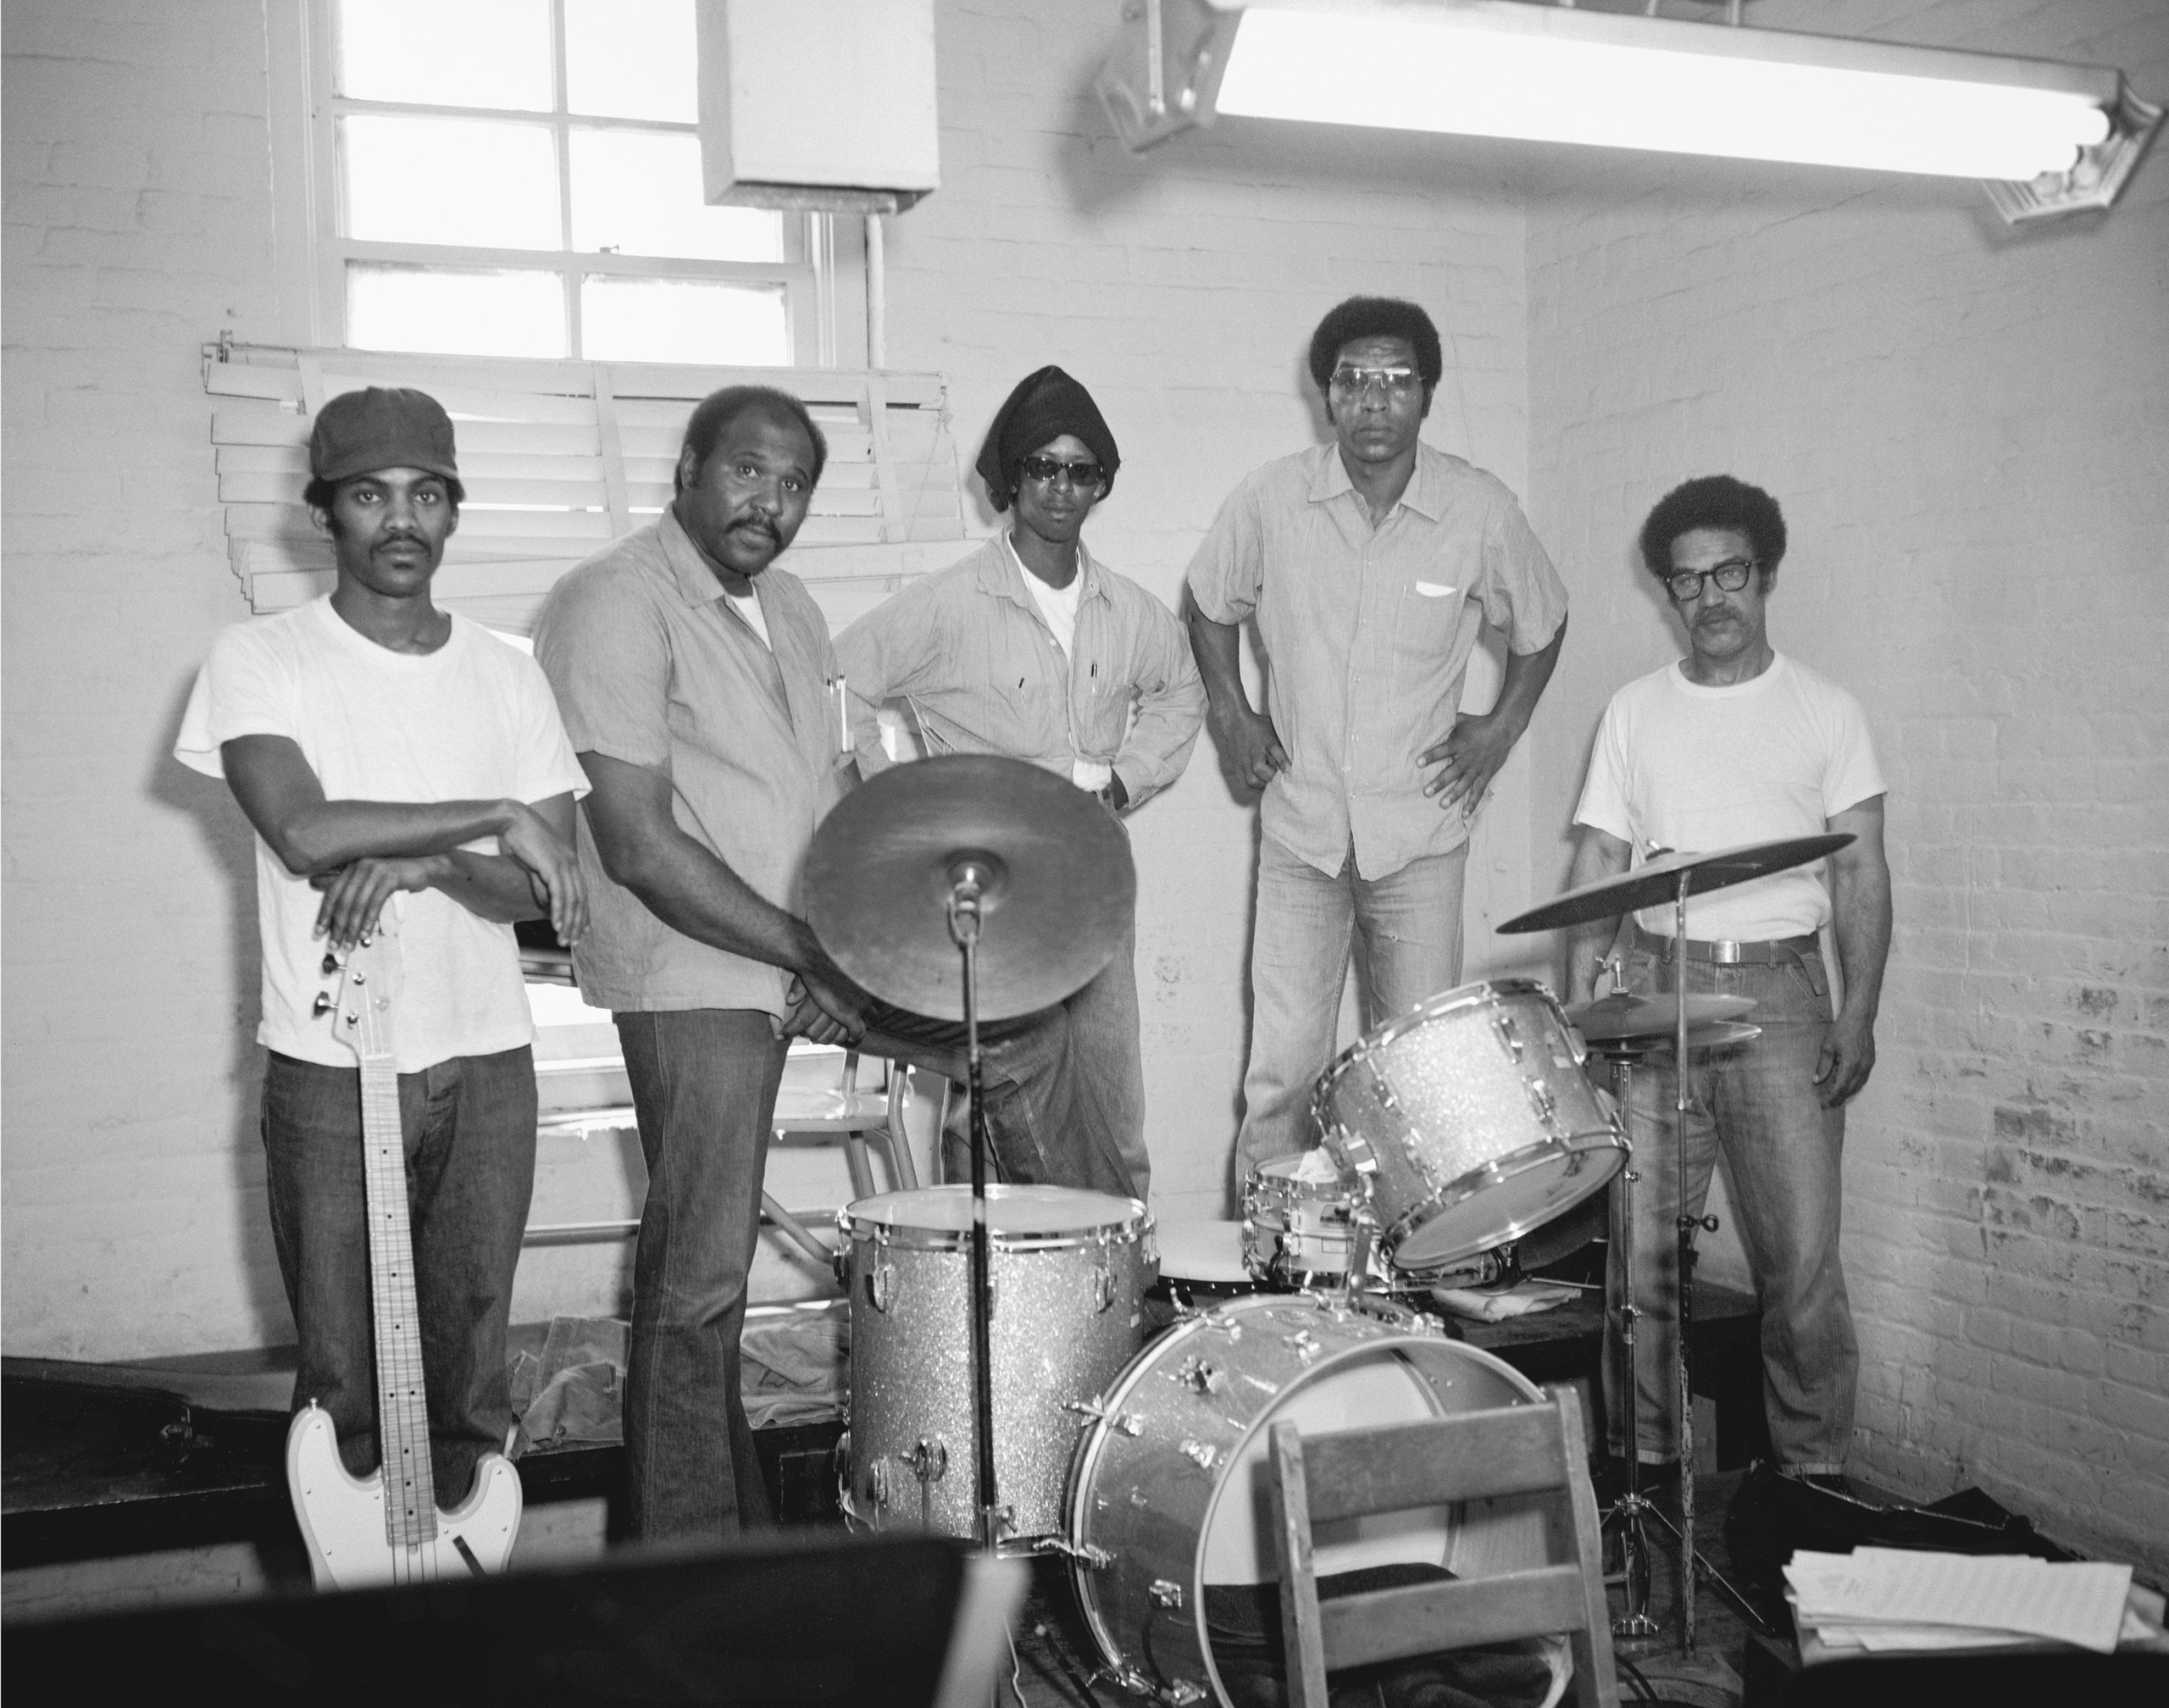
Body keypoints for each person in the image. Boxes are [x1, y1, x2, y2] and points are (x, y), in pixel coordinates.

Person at [533, 385, 1107, 1542]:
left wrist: (877, 937)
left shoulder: (789, 606)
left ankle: (1043, 1341)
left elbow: (837, 792)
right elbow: (640, 846)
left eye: (794, 484)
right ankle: (691, 1575)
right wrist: (806, 953)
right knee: (701, 1283)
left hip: (804, 954)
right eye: (748, 471)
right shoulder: (609, 602)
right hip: (694, 970)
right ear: (688, 467)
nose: (772, 502)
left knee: (1022, 1040)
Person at [175, 386, 591, 1507]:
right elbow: (306, 831)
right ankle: (351, 1637)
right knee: (344, 1388)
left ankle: (458, 1609)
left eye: (424, 495)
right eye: (369, 495)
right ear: (325, 515)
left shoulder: (508, 673)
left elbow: (546, 894)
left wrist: (432, 861)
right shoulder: (261, 658)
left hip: (486, 1062)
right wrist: (490, 816)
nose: (399, 520)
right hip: (325, 1061)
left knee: (468, 1381)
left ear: (453, 512)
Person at [1187, 295, 1569, 1184]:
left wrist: (1502, 727)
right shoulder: (1271, 500)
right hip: (1300, 836)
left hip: (1419, 839)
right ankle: (1271, 1281)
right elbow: (1209, 605)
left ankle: (1411, 1282)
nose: (1373, 400)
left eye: (1396, 380)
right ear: (1326, 395)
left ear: (1426, 396)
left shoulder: (1477, 509)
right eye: (1352, 380)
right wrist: (1232, 714)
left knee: (1423, 1076)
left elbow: (1541, 622)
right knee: (1282, 1077)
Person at [1563, 474, 1892, 1485]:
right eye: (1687, 580)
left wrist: (1860, 1011)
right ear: (1667, 592)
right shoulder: (1634, 712)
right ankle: (1651, 1483)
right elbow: (1593, 872)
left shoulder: (1825, 711)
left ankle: (1811, 1489)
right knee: (1646, 1268)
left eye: (1729, 573)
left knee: (1799, 1271)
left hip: (1782, 1002)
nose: (1710, 597)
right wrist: (1578, 1020)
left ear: (1766, 575)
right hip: (1657, 994)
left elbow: (1859, 871)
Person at [833, 366, 1205, 1201]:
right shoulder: (949, 603)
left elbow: (1184, 694)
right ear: (1009, 480)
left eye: (1080, 470)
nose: (1060, 488)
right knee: (993, 1101)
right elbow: (838, 682)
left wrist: (1128, 779)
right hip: (987, 882)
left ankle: (1120, 1286)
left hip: (1093, 876)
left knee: (1111, 1096)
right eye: (1042, 467)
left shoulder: (1130, 609)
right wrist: (899, 801)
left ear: (1101, 482)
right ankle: (981, 1294)